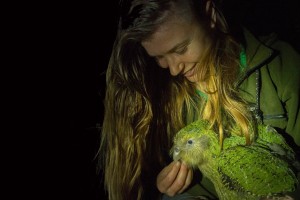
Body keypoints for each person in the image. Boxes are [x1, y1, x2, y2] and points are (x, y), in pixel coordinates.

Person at [99, 0, 300, 199]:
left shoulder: (281, 69)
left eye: (180, 49)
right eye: (159, 57)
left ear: (210, 15)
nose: (174, 68)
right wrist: (178, 187)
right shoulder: (172, 99)